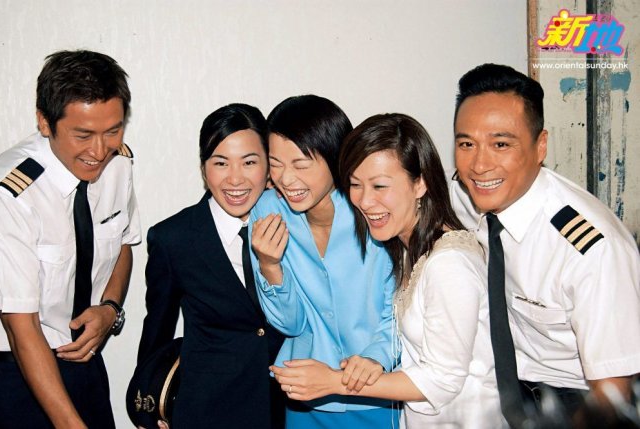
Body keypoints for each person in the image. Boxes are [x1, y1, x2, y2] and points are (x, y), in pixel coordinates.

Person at [269, 113, 506, 428]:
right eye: (355, 185)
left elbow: (442, 380)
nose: (365, 201)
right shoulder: (410, 249)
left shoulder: (448, 264)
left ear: (420, 182)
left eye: (380, 185)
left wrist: (335, 382)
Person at [449, 63, 640, 427]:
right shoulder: (465, 193)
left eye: (501, 144)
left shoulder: (592, 251)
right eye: (466, 144)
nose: (479, 164)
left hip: (576, 403)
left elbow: (612, 394)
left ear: (540, 147)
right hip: (500, 390)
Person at [0, 50, 140, 429]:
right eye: (82, 135)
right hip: (18, 373)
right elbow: (21, 327)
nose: (98, 151)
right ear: (44, 122)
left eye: (113, 131)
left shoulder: (118, 164)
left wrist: (110, 309)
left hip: (85, 364)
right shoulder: (9, 194)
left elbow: (122, 244)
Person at [250, 95, 399, 429]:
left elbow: (400, 307)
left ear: (335, 158)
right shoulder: (267, 211)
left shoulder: (372, 207)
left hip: (377, 389)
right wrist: (270, 266)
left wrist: (376, 356)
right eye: (276, 163)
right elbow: (291, 325)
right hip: (308, 397)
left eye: (301, 164)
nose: (286, 179)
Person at [136, 103, 286, 429]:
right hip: (208, 410)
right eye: (220, 163)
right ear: (204, 169)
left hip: (289, 408)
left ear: (268, 167)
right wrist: (149, 412)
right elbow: (156, 333)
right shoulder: (173, 238)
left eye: (249, 162)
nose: (235, 178)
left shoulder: (294, 225)